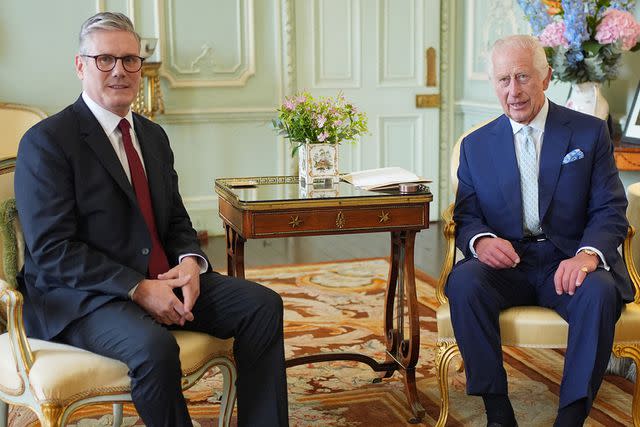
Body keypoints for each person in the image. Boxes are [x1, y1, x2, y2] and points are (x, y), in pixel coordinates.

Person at [15, 12, 289, 427]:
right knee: (155, 348)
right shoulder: (48, 141)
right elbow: (53, 250)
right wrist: (136, 287)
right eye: (105, 59)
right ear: (80, 65)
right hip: (83, 296)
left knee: (262, 306)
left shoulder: (151, 136)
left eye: (130, 60)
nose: (120, 71)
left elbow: (176, 219)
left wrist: (189, 264)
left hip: (159, 277)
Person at [446, 34, 633, 427]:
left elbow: (610, 207)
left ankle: (571, 417)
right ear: (493, 84)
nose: (513, 91)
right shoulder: (475, 145)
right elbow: (466, 216)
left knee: (599, 291)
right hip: (507, 266)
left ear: (546, 77)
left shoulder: (587, 133)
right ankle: (497, 412)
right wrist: (480, 241)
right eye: (503, 80)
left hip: (568, 262)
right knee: (464, 283)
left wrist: (586, 256)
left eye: (522, 77)